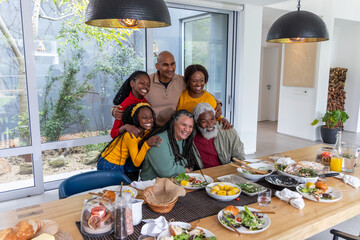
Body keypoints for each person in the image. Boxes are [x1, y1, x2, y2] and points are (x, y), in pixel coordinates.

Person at [112, 51, 223, 126]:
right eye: (165, 65)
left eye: (172, 64)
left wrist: (218, 103)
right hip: (152, 129)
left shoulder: (182, 81)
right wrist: (113, 110)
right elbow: (128, 98)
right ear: (157, 66)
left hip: (176, 129)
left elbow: (199, 90)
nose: (170, 68)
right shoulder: (147, 82)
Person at [98, 103, 162, 179]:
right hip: (110, 163)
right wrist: (147, 144)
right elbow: (136, 162)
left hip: (118, 163)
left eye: (151, 117)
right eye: (144, 118)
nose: (149, 120)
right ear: (136, 119)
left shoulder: (144, 131)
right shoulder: (131, 135)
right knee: (117, 188)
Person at [140, 110, 197, 180]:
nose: (187, 129)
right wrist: (185, 170)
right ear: (174, 123)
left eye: (190, 126)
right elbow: (167, 172)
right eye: (183, 125)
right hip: (151, 186)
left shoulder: (184, 140)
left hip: (175, 182)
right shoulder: (158, 140)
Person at [176, 64, 232, 130]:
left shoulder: (209, 98)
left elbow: (216, 118)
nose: (199, 84)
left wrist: (223, 120)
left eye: (201, 80)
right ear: (188, 81)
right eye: (194, 81)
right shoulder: (181, 96)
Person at [192, 102, 245, 169]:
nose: (210, 124)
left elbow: (239, 157)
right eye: (204, 121)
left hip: (224, 172)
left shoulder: (227, 130)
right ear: (196, 122)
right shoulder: (189, 135)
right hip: (202, 175)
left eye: (212, 119)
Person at [110, 71, 150, 139]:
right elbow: (113, 133)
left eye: (148, 85)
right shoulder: (124, 105)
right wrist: (126, 127)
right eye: (142, 83)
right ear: (132, 83)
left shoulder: (146, 103)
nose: (146, 87)